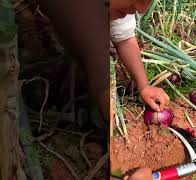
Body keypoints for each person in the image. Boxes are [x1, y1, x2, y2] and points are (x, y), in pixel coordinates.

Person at [35, 0, 168, 179]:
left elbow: (125, 38)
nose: (141, 9)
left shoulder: (121, 6)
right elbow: (101, 78)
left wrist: (144, 85)